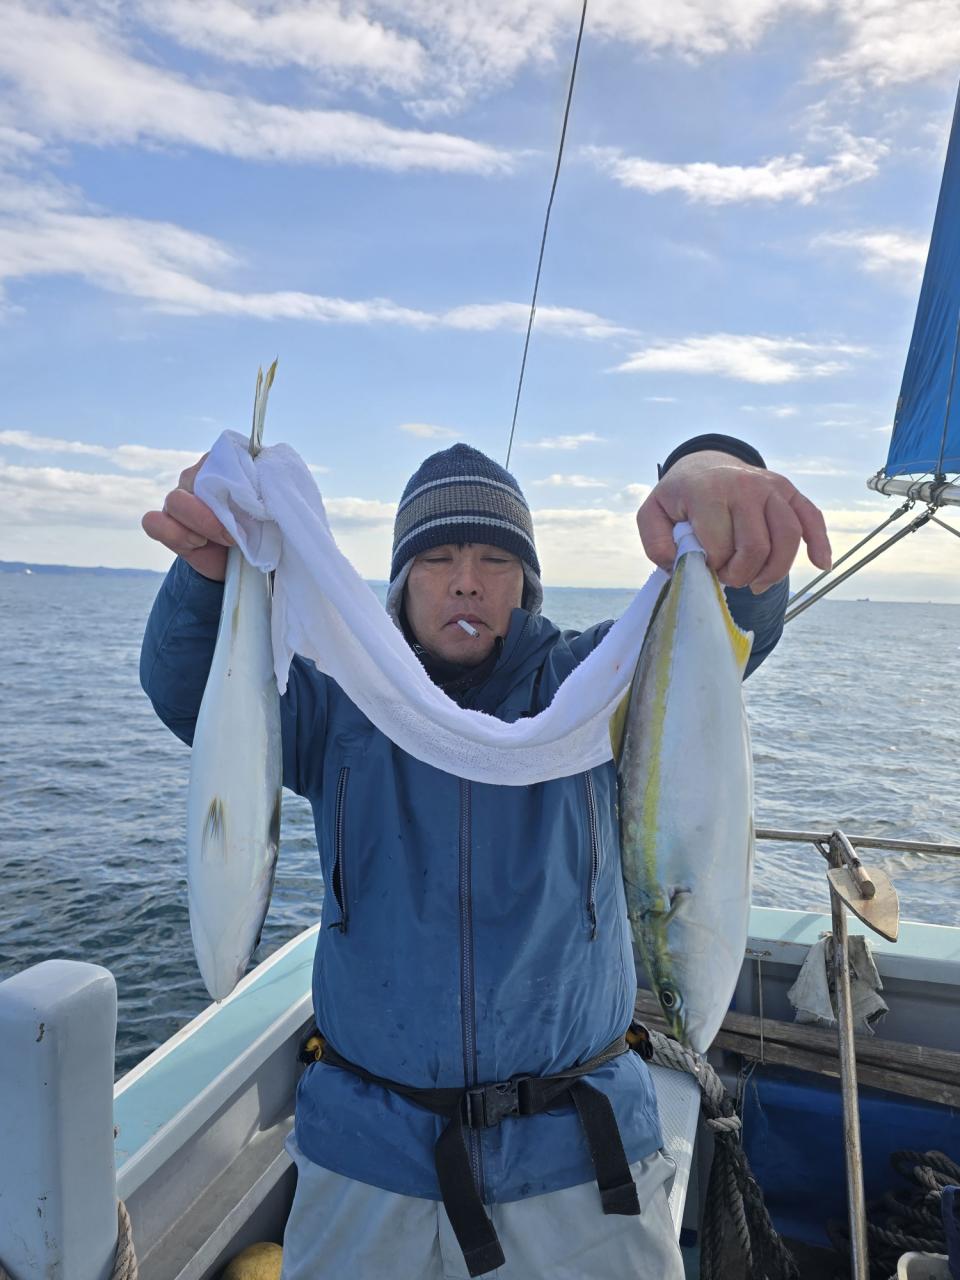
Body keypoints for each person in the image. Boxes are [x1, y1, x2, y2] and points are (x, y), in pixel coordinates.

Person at [140, 432, 830, 1280]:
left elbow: (726, 633)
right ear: (401, 581)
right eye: (438, 558)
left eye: (495, 559)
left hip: (581, 1162)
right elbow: (192, 689)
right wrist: (209, 573)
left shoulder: (592, 689)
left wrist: (710, 475)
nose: (466, 580)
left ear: (526, 583)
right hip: (368, 1157)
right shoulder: (338, 704)